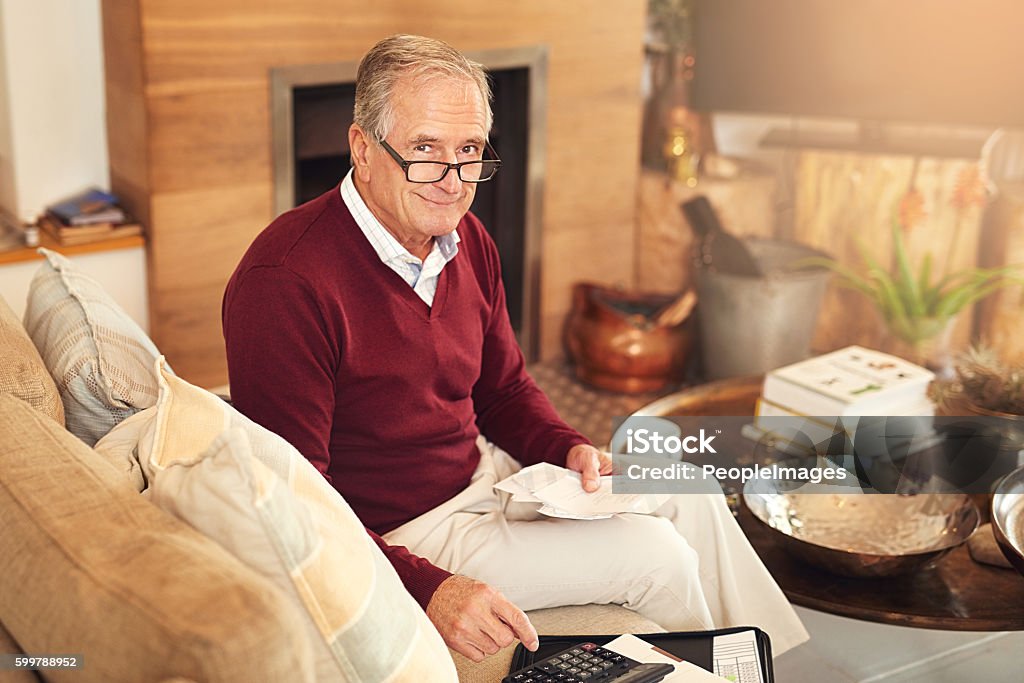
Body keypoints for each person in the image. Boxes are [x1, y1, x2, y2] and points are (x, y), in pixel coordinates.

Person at [223, 34, 808, 663]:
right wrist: (429, 589)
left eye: (469, 151)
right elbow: (295, 502)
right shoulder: (284, 283)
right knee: (658, 558)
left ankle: (776, 671)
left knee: (687, 487)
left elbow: (503, 390)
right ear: (362, 149)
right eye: (425, 150)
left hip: (486, 472)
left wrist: (567, 447)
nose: (452, 181)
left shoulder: (464, 238)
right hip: (408, 530)